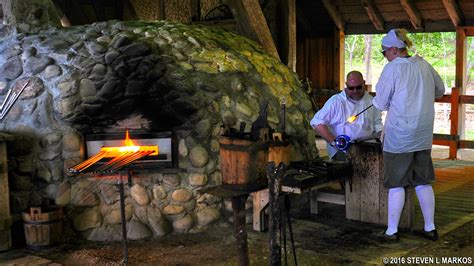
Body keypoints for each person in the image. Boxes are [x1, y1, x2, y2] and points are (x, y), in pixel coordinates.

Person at [373, 29, 445, 241]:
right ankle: (430, 228)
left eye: (384, 51)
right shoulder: (424, 64)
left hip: (399, 137)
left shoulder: (392, 69)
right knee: (422, 181)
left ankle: (391, 231)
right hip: (422, 135)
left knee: (396, 183)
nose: (384, 55)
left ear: (394, 50)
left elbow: (381, 103)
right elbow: (439, 90)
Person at [310, 71, 383, 161]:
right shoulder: (336, 102)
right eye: (351, 88)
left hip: (367, 150)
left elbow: (377, 123)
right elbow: (317, 123)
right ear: (346, 85)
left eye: (358, 87)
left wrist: (381, 135)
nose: (355, 91)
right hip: (342, 152)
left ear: (363, 84)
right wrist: (334, 143)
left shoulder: (371, 101)